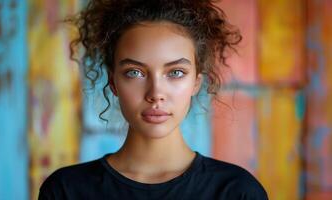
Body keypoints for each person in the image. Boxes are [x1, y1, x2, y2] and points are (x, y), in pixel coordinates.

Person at [39, 0, 268, 199]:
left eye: (175, 72)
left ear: (196, 82)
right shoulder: (66, 190)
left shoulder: (237, 192)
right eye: (135, 72)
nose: (155, 93)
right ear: (113, 82)